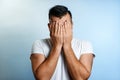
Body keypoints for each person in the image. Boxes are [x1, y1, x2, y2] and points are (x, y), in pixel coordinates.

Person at [30, 5, 95, 80]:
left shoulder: (85, 45)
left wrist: (67, 46)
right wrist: (57, 46)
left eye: (65, 24)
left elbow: (81, 78)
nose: (61, 29)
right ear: (49, 27)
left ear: (71, 25)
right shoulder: (39, 44)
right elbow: (42, 78)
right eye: (56, 25)